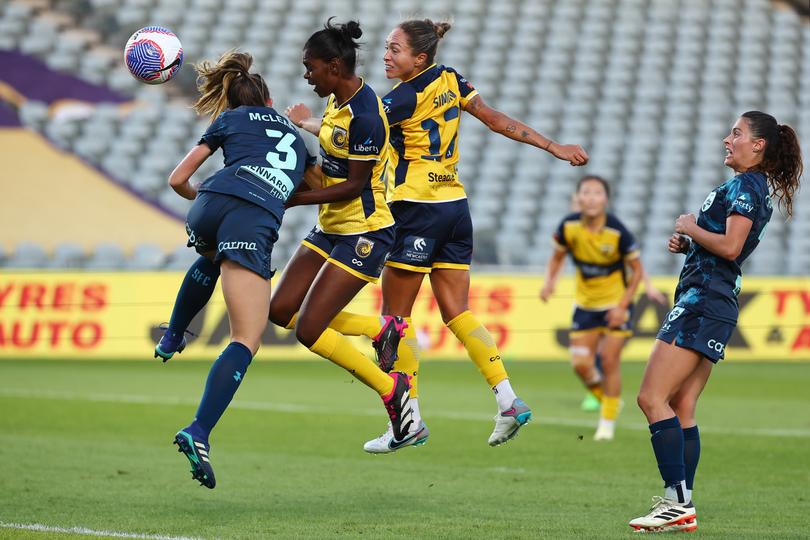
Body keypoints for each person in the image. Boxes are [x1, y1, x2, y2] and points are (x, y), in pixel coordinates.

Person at [286, 18, 589, 452]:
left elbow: (358, 130)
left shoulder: (400, 98)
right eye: (388, 48)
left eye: (395, 50)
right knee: (457, 312)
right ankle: (507, 398)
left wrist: (309, 123)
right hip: (455, 207)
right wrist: (552, 146)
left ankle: (406, 420)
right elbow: (495, 119)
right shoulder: (451, 79)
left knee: (395, 321)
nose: (387, 56)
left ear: (419, 58)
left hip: (415, 208)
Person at [155, 20, 422, 453]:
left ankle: (394, 396)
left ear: (333, 65)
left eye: (310, 67)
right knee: (279, 310)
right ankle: (381, 328)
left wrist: (287, 197)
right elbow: (327, 161)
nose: (306, 75)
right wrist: (305, 131)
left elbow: (355, 184)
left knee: (310, 329)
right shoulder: (337, 101)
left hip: (364, 230)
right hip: (330, 225)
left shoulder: (369, 113)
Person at [628, 111, 802, 533]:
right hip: (714, 301)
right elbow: (722, 248)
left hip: (703, 303)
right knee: (682, 405)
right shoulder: (749, 185)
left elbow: (730, 246)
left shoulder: (745, 185)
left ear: (758, 145)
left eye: (737, 133)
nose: (728, 139)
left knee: (651, 399)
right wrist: (690, 244)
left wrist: (690, 225)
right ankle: (682, 504)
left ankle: (676, 501)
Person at [163, 51, 316, 489]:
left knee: (211, 255)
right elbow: (325, 188)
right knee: (246, 339)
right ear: (270, 101)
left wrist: (206, 201)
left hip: (210, 201)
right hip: (253, 218)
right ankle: (199, 430)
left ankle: (174, 334)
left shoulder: (230, 121)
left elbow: (177, 180)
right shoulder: (297, 139)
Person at [540, 175, 647, 440]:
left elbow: (637, 272)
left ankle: (606, 424)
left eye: (596, 193)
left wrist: (623, 306)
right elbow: (557, 257)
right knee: (580, 364)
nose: (590, 198)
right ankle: (609, 400)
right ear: (578, 198)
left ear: (605, 199)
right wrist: (549, 282)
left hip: (615, 304)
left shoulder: (617, 231)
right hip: (585, 304)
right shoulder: (568, 226)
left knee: (609, 361)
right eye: (585, 193)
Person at [563, 191, 667, 413]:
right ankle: (597, 392)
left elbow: (633, 264)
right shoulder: (573, 231)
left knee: (605, 352)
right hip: (586, 300)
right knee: (583, 357)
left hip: (614, 300)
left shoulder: (610, 231)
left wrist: (647, 285)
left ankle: (602, 396)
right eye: (575, 204)